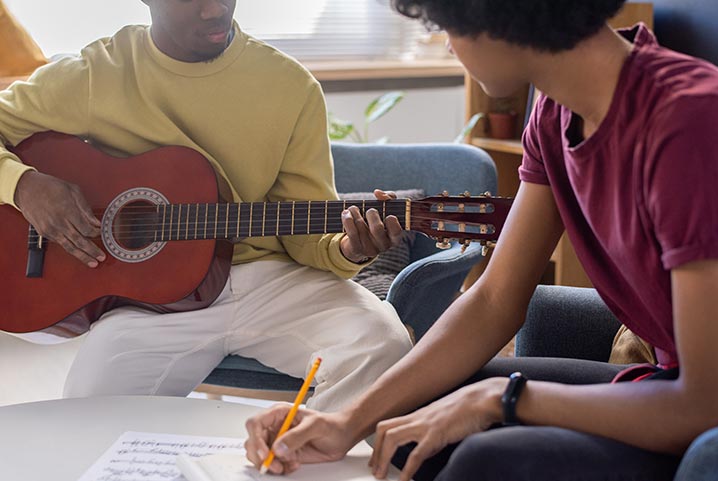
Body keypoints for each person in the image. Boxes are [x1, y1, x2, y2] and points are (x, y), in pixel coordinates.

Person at [244, 0, 718, 479]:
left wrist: (499, 398)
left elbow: (704, 403)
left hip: (700, 411)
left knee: (480, 456)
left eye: (449, 25)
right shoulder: (555, 116)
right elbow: (494, 299)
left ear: (494, 18)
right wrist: (345, 421)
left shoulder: (689, 120)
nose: (450, 45)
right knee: (417, 425)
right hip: (665, 385)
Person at [0, 0, 413, 412]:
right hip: (150, 303)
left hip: (272, 282)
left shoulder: (289, 86)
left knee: (381, 343)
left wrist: (348, 249)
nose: (215, 9)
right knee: (84, 418)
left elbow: (305, 231)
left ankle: (297, 457)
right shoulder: (97, 73)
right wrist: (24, 186)